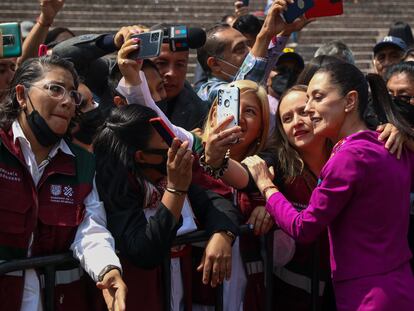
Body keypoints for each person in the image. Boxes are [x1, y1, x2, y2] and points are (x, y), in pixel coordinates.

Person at [244, 62, 414, 310]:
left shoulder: (348, 157)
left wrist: (266, 187)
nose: (309, 108)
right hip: (401, 285)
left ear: (350, 101)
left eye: (318, 97)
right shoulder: (390, 144)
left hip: (367, 295)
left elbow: (303, 227)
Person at [0, 55, 127, 311]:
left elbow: (89, 228)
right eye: (55, 89)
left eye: (73, 95)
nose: (68, 101)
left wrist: (107, 269)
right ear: (22, 96)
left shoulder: (82, 163)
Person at [93, 104, 240, 311]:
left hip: (177, 289)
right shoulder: (116, 186)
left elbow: (216, 200)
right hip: (139, 298)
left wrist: (223, 234)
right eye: (165, 140)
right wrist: (175, 191)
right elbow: (143, 251)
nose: (176, 143)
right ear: (141, 156)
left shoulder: (172, 174)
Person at [149, 23, 210, 131]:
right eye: (161, 63)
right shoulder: (122, 97)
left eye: (180, 64)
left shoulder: (200, 112)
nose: (172, 73)